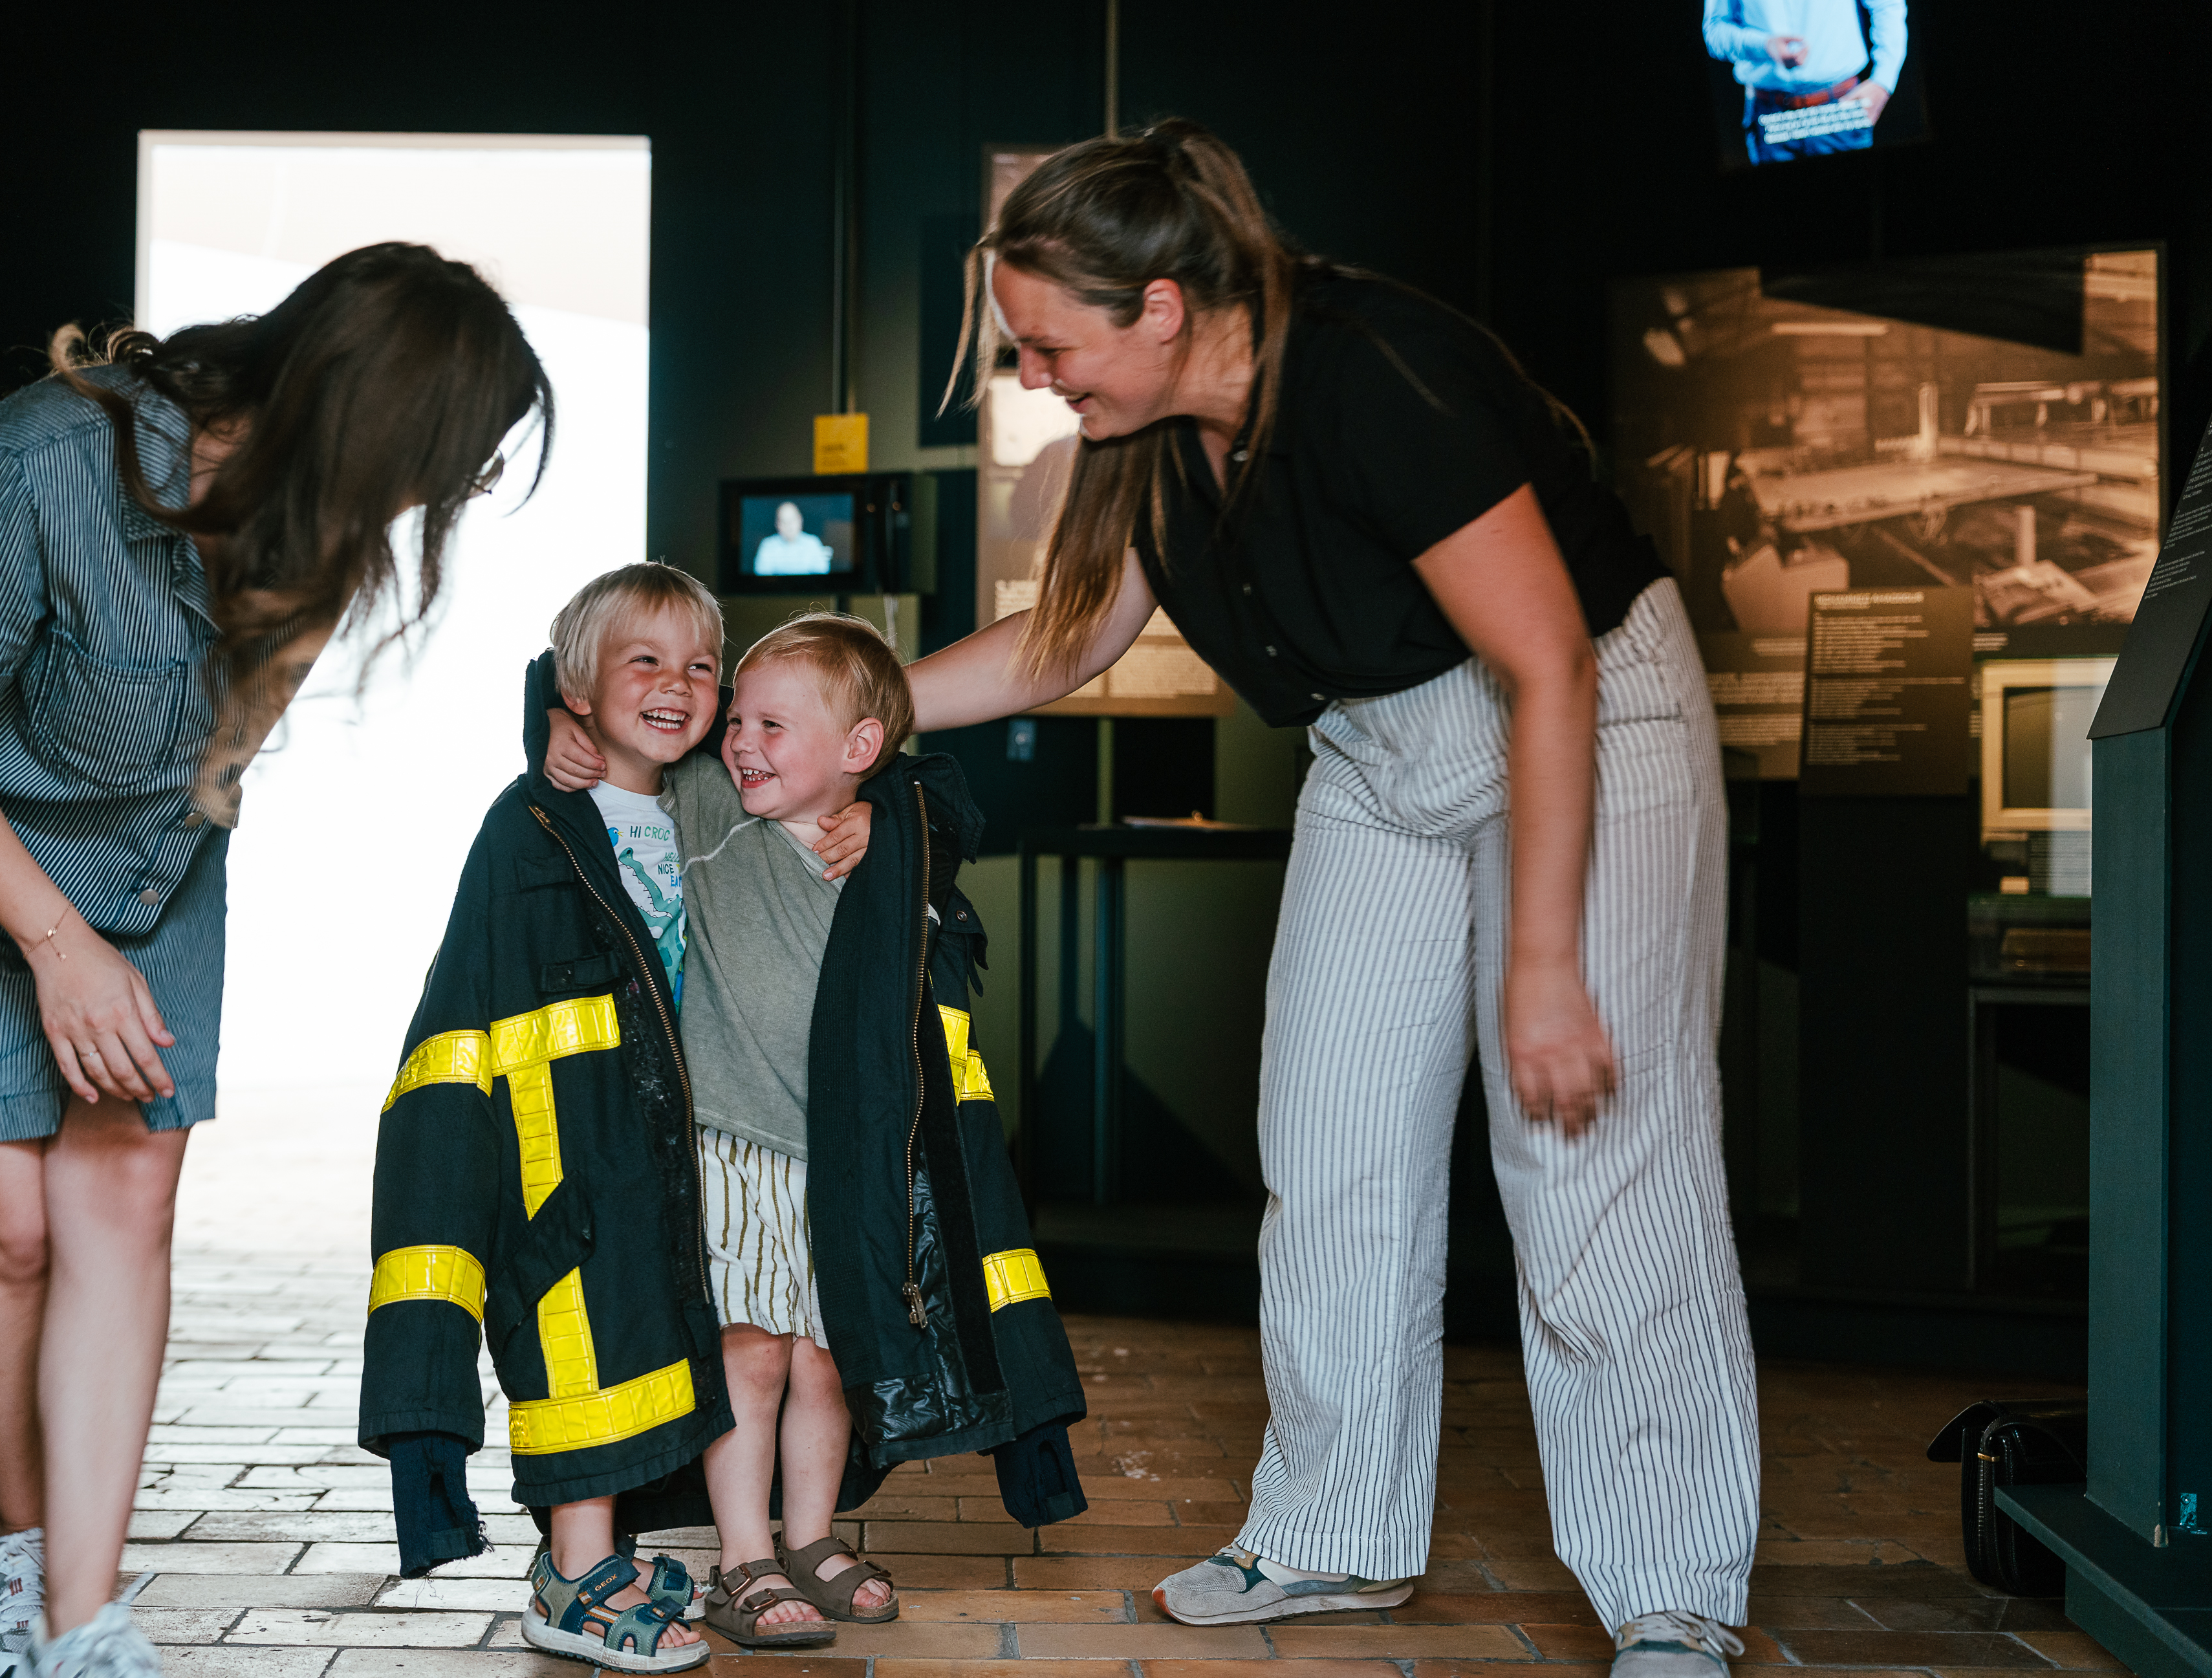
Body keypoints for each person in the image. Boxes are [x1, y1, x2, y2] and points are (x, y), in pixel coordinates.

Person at [920, 122, 1757, 1678]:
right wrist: (858, 712)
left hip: (1582, 713)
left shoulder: (1380, 372)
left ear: (1159, 305)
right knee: (1329, 1142)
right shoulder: (1147, 443)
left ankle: (1669, 1588)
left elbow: (1546, 663)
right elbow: (1061, 644)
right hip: (1379, 746)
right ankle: (1330, 1535)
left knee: (1583, 1158)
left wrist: (1541, 967)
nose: (1034, 376)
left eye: (1046, 343)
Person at [0, 243, 552, 1678]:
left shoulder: (327, 519)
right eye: (434, 466)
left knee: (120, 1198)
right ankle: (32, 1568)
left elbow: (240, 719)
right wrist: (55, 943)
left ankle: (84, 1620)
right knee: (13, 1225)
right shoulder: (41, 462)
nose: (428, 504)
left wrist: (131, 920)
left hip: (147, 865)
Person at [548, 615, 1090, 1644]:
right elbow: (583, 675)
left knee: (832, 1356)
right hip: (738, 1144)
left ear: (859, 752)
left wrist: (904, 811)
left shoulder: (895, 840)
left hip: (851, 1161)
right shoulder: (709, 805)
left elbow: (952, 794)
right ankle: (742, 1554)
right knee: (749, 1354)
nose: (741, 739)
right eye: (737, 716)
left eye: (772, 724)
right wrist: (551, 712)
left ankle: (811, 1535)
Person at [360, 563, 730, 1673]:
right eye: (645, 661)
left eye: (702, 665)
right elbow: (476, 1007)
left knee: (666, 1353)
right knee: (584, 1350)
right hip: (569, 1155)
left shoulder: (714, 801)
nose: (679, 684)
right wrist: (545, 719)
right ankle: (573, 1577)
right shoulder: (528, 827)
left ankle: (605, 1557)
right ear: (577, 688)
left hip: (682, 1149)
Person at [1702, 0, 1907, 164]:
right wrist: (1764, 46)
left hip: (1840, 110)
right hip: (1771, 120)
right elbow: (1715, 31)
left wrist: (1883, 81)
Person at [753, 499, 837, 576]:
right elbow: (762, 576)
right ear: (777, 524)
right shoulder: (767, 545)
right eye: (784, 521)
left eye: (792, 520)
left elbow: (822, 573)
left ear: (800, 520)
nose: (789, 526)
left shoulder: (813, 542)